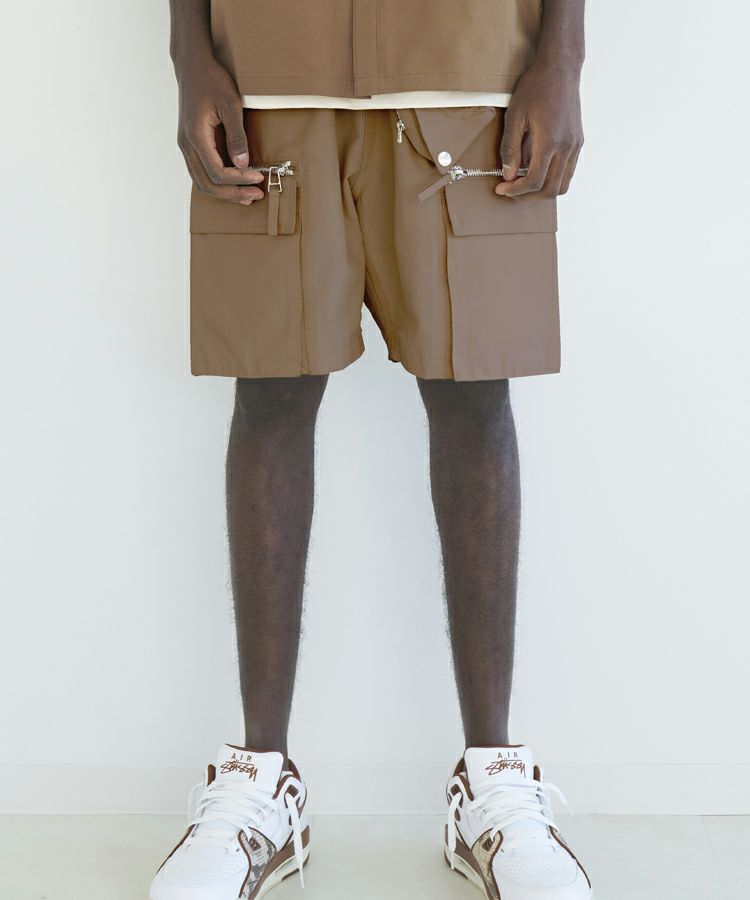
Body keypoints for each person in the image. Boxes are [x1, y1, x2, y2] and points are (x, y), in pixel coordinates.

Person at [150, 2, 589, 899]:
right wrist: (188, 52)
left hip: (470, 76)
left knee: (474, 397)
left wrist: (564, 53)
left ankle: (493, 783)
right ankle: (261, 783)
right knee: (270, 394)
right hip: (270, 77)